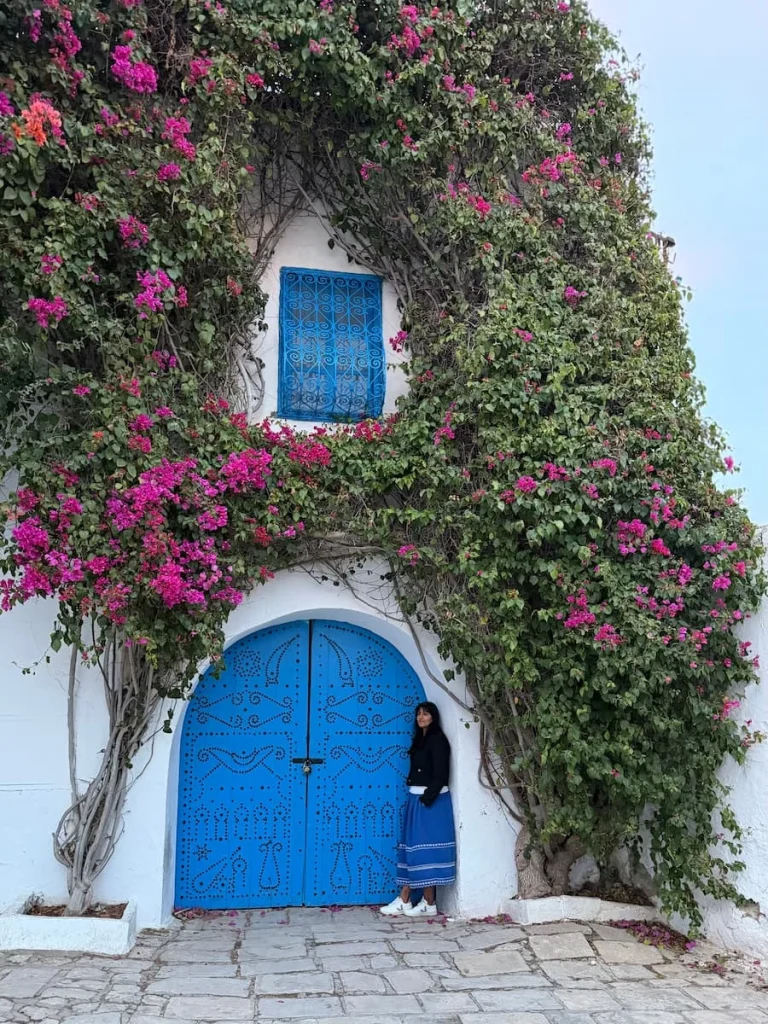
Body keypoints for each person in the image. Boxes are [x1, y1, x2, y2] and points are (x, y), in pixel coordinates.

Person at [380, 701, 456, 917]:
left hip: (430, 801)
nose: (421, 717)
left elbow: (441, 773)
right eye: (418, 714)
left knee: (425, 849)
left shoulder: (438, 740)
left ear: (434, 716)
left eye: (426, 714)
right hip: (417, 798)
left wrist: (427, 798)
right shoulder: (420, 739)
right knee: (414, 847)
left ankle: (413, 900)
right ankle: (426, 902)